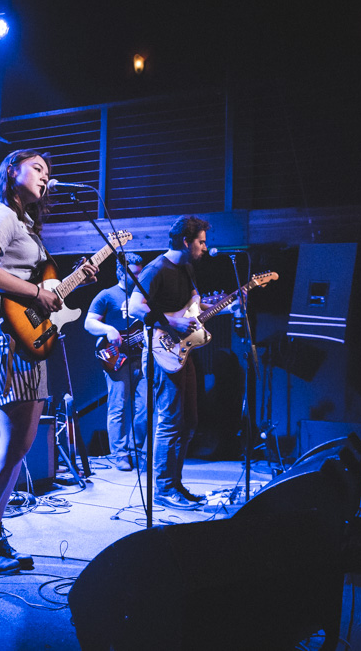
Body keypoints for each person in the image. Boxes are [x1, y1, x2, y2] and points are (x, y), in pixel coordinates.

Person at [0, 149, 97, 574]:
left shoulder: (24, 225)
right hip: (5, 340)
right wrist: (38, 294)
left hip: (27, 340)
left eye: (48, 170)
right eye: (37, 168)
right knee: (11, 444)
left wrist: (59, 287)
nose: (44, 176)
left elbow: (39, 292)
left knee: (20, 446)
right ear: (12, 171)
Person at [129, 215, 233, 510]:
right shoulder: (156, 268)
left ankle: (175, 484)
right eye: (201, 241)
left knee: (189, 421)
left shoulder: (187, 268)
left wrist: (228, 304)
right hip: (162, 353)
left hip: (183, 353)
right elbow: (134, 305)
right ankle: (162, 489)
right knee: (171, 422)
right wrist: (171, 320)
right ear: (186, 242)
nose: (205, 246)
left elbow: (194, 309)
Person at [84, 253, 148, 472]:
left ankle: (137, 451)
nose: (140, 277)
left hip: (142, 356)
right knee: (118, 406)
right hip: (116, 358)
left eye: (141, 272)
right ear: (122, 271)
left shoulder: (144, 295)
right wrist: (108, 329)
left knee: (144, 407)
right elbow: (89, 323)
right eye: (135, 273)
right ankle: (120, 454)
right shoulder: (107, 295)